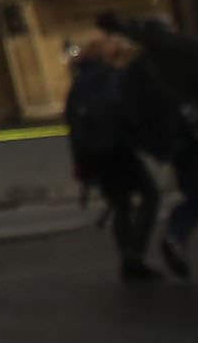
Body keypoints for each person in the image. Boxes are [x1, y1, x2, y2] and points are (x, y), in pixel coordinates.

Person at [107, 7, 198, 285]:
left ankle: (178, 234)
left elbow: (127, 113)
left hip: (172, 144)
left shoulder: (136, 71)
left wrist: (154, 144)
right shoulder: (180, 56)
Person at [63, 32, 161, 281]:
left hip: (95, 155)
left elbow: (73, 125)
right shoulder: (111, 78)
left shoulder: (78, 83)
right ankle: (135, 253)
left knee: (121, 205)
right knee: (150, 194)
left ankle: (128, 258)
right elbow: (124, 111)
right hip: (119, 148)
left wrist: (82, 163)